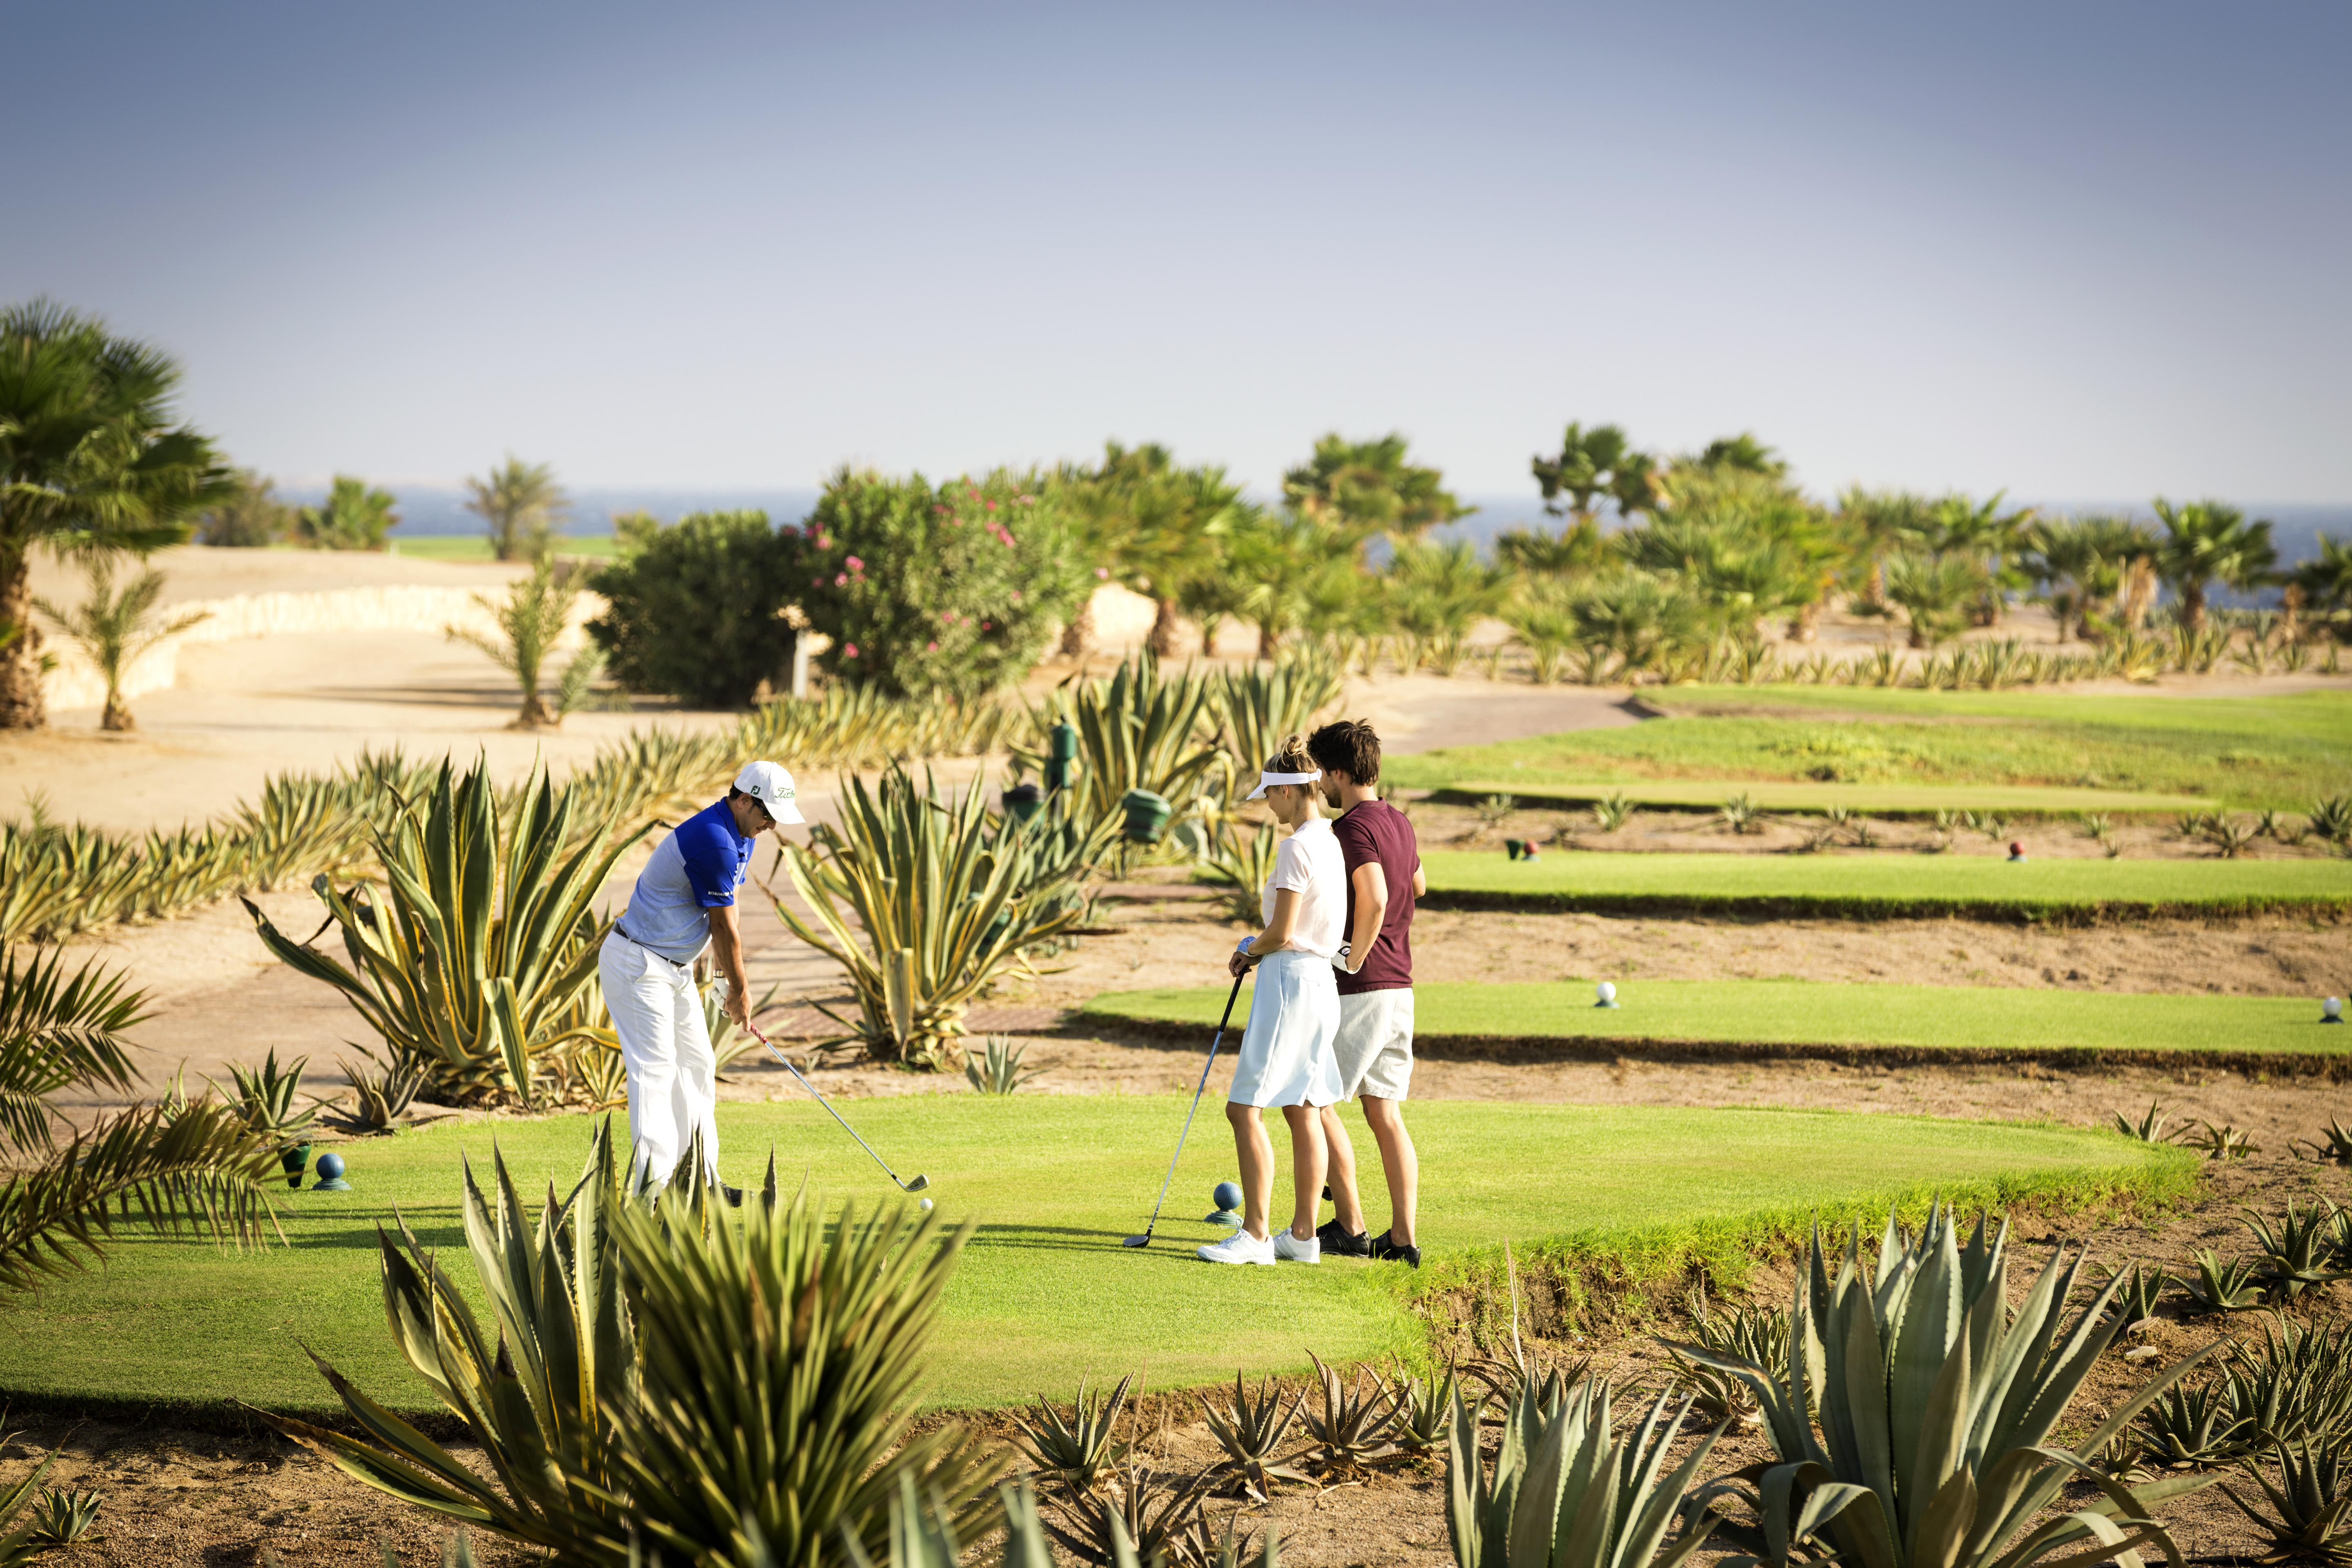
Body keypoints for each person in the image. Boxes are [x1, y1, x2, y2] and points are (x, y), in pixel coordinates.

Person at [599, 760, 802, 1188]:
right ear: (744, 799)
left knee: (697, 1063)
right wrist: (742, 993)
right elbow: (723, 928)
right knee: (654, 1071)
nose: (770, 825)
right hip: (638, 963)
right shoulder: (715, 841)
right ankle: (649, 1194)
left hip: (671, 968)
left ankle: (700, 1183)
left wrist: (729, 983)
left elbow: (733, 908)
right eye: (767, 815)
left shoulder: (740, 834)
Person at [1197, 735, 1348, 1266]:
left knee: (1244, 1108)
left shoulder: (1297, 846)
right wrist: (1263, 947)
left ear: (1288, 790)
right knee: (1304, 1107)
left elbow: (1282, 931)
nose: (1268, 805)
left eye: (1270, 794)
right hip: (1320, 983)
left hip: (1288, 983)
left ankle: (1257, 1236)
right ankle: (1303, 1237)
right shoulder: (1331, 841)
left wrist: (1248, 950)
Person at [1307, 719, 1425, 1268]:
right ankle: (1402, 1239)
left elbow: (1374, 896)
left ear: (1337, 773)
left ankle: (1350, 1226)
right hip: (1400, 986)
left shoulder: (1351, 828)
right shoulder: (1398, 821)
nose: (1319, 786)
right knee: (1385, 1113)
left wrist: (1352, 957)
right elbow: (1417, 885)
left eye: (1321, 774)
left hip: (1363, 986)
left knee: (1315, 1099)